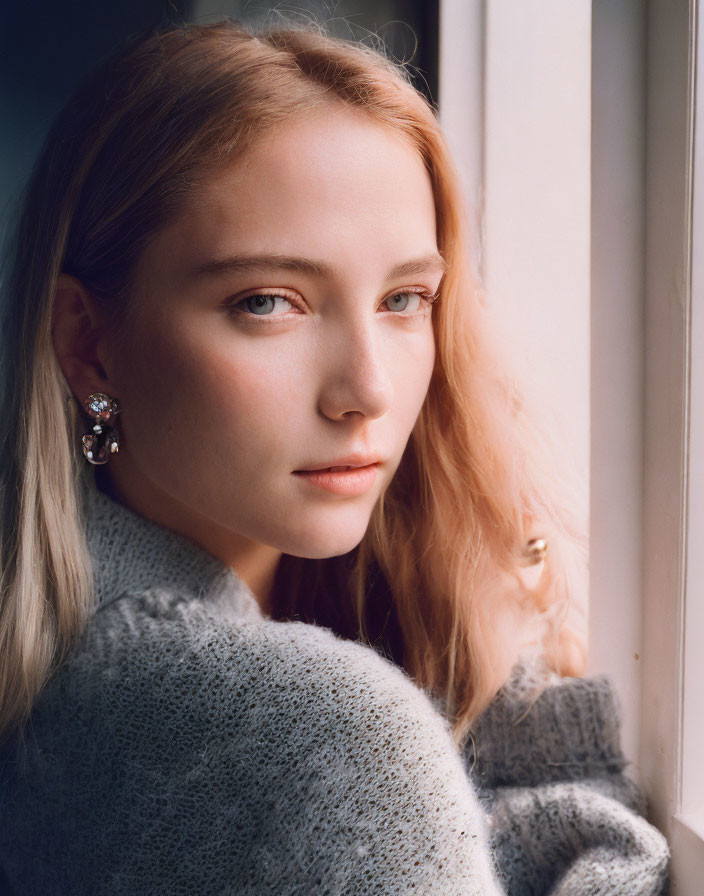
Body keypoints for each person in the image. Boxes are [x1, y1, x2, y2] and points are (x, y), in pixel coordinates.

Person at [0, 17, 669, 896]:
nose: (367, 390)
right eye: (269, 301)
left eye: (404, 298)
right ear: (89, 342)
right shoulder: (322, 735)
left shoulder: (64, 659)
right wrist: (532, 744)